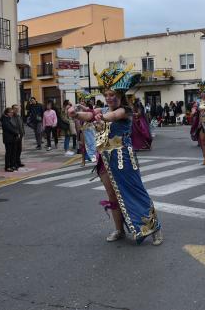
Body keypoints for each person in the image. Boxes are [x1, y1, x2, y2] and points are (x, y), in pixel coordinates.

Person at [68, 63, 163, 245]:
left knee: (136, 192)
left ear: (119, 95)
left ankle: (155, 228)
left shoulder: (124, 111)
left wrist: (101, 117)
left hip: (123, 158)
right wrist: (75, 114)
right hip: (105, 160)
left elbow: (113, 116)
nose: (109, 98)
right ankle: (119, 230)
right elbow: (88, 116)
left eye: (112, 95)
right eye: (106, 95)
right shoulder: (102, 110)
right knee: (113, 196)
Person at [1, 107, 20, 171]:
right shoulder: (4, 119)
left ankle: (12, 165)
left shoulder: (9, 118)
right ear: (7, 113)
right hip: (8, 139)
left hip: (13, 138)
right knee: (8, 153)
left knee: (13, 152)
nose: (12, 113)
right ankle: (7, 167)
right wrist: (16, 132)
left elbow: (15, 126)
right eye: (11, 112)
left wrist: (17, 132)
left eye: (12, 112)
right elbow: (9, 128)